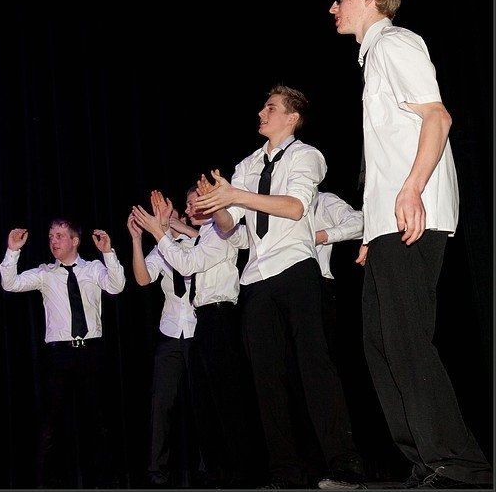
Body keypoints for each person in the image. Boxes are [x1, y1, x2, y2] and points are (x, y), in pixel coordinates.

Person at [330, 0, 493, 489]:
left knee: (406, 341)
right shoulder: (375, 57)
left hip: (414, 212)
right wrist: (371, 232)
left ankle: (458, 463)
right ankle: (425, 459)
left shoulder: (395, 43)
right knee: (380, 344)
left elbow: (437, 118)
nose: (332, 7)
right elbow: (385, 155)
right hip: (390, 223)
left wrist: (412, 190)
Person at [194, 85, 365, 489]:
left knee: (315, 367)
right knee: (266, 376)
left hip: (296, 269)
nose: (261, 113)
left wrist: (236, 194)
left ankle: (344, 464)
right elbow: (229, 226)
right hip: (256, 280)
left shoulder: (307, 155)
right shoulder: (247, 164)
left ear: (292, 117)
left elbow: (295, 207)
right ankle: (285, 472)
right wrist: (217, 205)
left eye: (270, 108)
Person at [132, 189, 263, 488]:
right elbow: (143, 278)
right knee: (197, 402)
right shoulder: (192, 237)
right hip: (185, 327)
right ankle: (214, 471)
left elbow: (190, 260)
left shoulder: (217, 232)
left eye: (193, 205)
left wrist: (163, 230)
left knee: (221, 399)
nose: (189, 211)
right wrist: (150, 234)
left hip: (214, 319)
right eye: (187, 206)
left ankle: (232, 470)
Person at [0, 219, 125, 488]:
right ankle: (47, 483)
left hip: (91, 352)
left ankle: (106, 482)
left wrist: (108, 253)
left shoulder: (93, 268)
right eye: (50, 236)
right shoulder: (45, 273)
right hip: (59, 357)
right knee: (51, 423)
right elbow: (10, 284)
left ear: (75, 241)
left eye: (59, 236)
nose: (53, 241)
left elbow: (116, 286)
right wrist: (13, 251)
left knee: (99, 422)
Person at [128, 202, 201, 487]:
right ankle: (157, 471)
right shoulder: (161, 248)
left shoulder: (200, 240)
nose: (162, 219)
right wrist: (137, 240)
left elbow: (207, 241)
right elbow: (143, 279)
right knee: (161, 403)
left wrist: (174, 226)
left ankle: (209, 468)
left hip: (199, 331)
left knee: (203, 402)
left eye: (168, 214)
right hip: (171, 333)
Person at [313, 191, 364, 361]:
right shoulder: (271, 204)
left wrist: (318, 237)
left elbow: (359, 222)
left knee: (320, 356)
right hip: (276, 283)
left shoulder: (321, 200)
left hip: (317, 285)